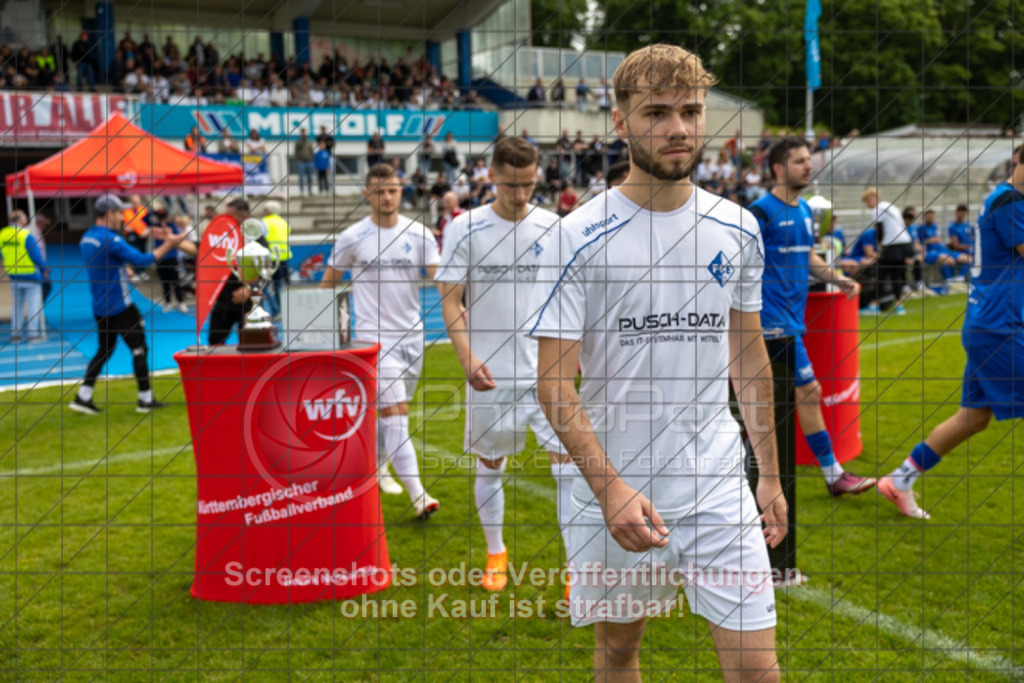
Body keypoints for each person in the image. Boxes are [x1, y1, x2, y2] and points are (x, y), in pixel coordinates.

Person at [529, 44, 785, 682]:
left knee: (758, 669)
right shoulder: (574, 237)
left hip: (718, 483)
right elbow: (553, 385)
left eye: (691, 111)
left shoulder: (738, 227)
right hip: (613, 487)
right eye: (657, 112)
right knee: (619, 651)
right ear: (621, 122)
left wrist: (771, 475)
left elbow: (749, 359)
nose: (678, 128)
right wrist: (609, 488)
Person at [436, 137, 578, 593]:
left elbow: (571, 301)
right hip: (491, 374)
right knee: (491, 462)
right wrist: (465, 355)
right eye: (512, 185)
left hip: (547, 373)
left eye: (529, 185)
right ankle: (496, 553)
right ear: (492, 175)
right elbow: (451, 299)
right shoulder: (465, 227)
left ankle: (577, 566)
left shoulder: (554, 227)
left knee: (567, 467)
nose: (520, 196)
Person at [878, 145, 1024, 520]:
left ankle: (900, 480)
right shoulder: (1010, 202)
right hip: (999, 327)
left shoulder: (1005, 198)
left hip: (990, 324)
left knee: (973, 418)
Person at [749, 138, 875, 500]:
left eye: (809, 160)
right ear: (777, 168)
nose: (809, 166)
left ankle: (746, 470)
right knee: (806, 392)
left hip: (791, 321)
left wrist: (839, 279)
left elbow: (807, 258)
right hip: (770, 324)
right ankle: (833, 475)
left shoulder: (805, 210)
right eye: (800, 161)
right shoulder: (760, 213)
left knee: (764, 400)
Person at [320, 164, 441, 518]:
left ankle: (377, 467)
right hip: (373, 340)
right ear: (366, 194)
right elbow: (327, 285)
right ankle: (419, 497)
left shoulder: (420, 234)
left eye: (392, 190)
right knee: (396, 414)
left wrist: (463, 304)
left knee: (387, 418)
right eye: (378, 191)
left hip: (413, 339)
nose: (386, 197)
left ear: (401, 191)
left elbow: (441, 282)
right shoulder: (352, 237)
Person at [69, 195, 183, 415]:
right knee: (139, 349)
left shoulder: (88, 238)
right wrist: (169, 243)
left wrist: (121, 269)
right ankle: (145, 400)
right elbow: (142, 261)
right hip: (120, 305)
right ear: (109, 213)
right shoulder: (112, 239)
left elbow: (104, 264)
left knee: (104, 350)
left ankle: (83, 396)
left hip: (100, 305)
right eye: (120, 213)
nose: (123, 217)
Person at [208, 198, 258, 345]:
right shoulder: (220, 235)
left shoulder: (254, 237)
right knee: (214, 344)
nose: (226, 217)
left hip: (246, 300)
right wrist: (174, 242)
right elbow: (200, 251)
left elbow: (267, 268)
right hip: (223, 298)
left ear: (244, 215)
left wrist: (249, 289)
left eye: (230, 214)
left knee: (253, 344)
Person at [862, 187, 913, 314]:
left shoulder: (877, 209)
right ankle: (899, 305)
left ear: (874, 198)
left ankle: (874, 305)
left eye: (868, 201)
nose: (867, 205)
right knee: (897, 276)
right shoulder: (891, 206)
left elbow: (879, 230)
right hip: (905, 243)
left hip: (892, 245)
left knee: (881, 275)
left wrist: (879, 247)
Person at [0, 210, 48, 342]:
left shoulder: (3, 234)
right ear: (21, 221)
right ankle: (33, 334)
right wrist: (44, 269)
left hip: (13, 275)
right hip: (30, 275)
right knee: (33, 305)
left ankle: (15, 334)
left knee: (17, 306)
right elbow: (36, 255)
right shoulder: (25, 235)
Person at [919, 208, 971, 290]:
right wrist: (930, 240)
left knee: (967, 258)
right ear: (924, 217)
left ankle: (960, 280)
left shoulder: (934, 226)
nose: (931, 219)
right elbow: (918, 243)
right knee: (947, 259)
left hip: (943, 250)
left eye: (932, 217)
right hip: (931, 252)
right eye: (928, 217)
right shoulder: (920, 228)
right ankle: (949, 282)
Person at [261, 200, 291, 318]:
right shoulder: (283, 222)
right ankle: (281, 309)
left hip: (269, 258)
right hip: (283, 258)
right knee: (279, 286)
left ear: (268, 211)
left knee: (264, 286)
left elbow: (260, 237)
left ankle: (275, 310)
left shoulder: (265, 222)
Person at [947, 203, 974, 279]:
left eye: (964, 212)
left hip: (972, 251)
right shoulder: (953, 227)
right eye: (960, 211)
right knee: (968, 259)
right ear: (956, 212)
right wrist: (968, 247)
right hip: (962, 252)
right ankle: (960, 278)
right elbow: (955, 245)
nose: (962, 214)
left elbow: (974, 239)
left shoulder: (968, 225)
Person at [294, 128, 315, 195]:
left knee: (310, 177)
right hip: (301, 162)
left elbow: (312, 151)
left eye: (304, 132)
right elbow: (296, 152)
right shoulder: (298, 142)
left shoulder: (309, 142)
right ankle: (301, 191)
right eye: (302, 132)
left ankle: (310, 191)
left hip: (309, 161)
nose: (303, 133)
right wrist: (297, 160)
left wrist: (312, 159)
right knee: (301, 177)